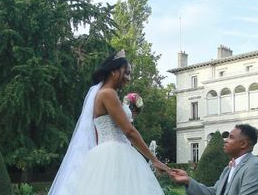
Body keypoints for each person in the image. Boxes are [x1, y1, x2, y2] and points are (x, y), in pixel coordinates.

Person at [48, 51, 170, 195]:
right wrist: (154, 160)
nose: (128, 78)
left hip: (106, 154)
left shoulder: (103, 94)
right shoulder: (108, 94)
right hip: (114, 154)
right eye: (126, 73)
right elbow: (129, 132)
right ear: (113, 71)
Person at [170, 124, 258, 195]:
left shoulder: (255, 167)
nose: (225, 140)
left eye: (231, 137)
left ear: (243, 144)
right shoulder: (229, 169)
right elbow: (214, 192)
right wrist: (188, 181)